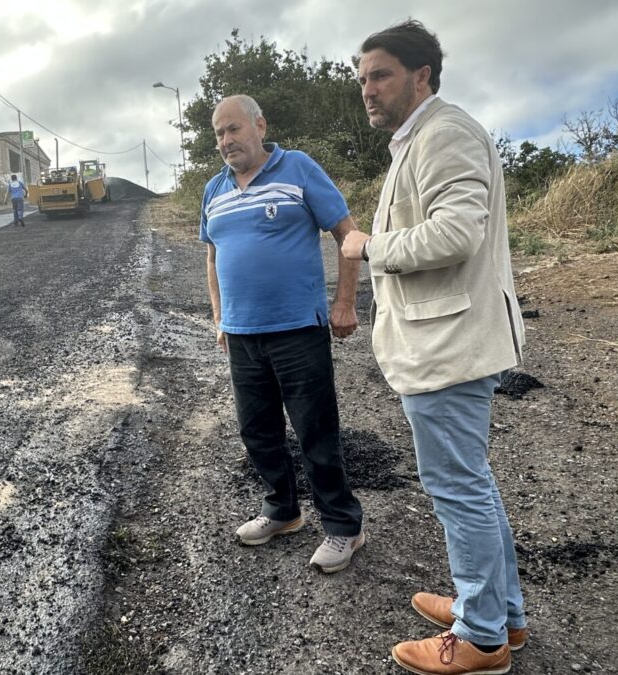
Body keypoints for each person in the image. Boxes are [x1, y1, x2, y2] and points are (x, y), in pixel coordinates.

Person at [341, 20, 528, 674]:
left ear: (422, 74)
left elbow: (456, 233)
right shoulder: (419, 139)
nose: (367, 88)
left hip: (448, 348)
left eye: (381, 74)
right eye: (362, 77)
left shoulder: (444, 133)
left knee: (458, 488)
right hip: (447, 343)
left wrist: (372, 247)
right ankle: (502, 612)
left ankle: (481, 638)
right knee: (472, 482)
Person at [202, 94, 365, 573]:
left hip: (298, 330)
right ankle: (283, 511)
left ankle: (343, 526)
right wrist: (219, 318)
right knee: (258, 431)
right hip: (242, 334)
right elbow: (211, 258)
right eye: (218, 135)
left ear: (259, 125)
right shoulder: (213, 189)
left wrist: (345, 302)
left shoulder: (297, 169)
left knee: (316, 431)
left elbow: (346, 232)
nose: (226, 141)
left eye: (233, 129)